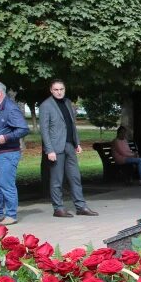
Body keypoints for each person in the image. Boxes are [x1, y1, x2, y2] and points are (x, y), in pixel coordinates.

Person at [38, 80, 99, 219]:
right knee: (57, 180)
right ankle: (58, 208)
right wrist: (49, 150)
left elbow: (72, 124)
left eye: (61, 89)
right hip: (55, 147)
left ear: (64, 89)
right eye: (56, 89)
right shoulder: (46, 105)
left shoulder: (67, 102)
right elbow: (44, 130)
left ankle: (81, 206)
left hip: (70, 145)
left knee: (75, 177)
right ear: (51, 90)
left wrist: (77, 142)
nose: (59, 92)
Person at [0, 81, 30, 225]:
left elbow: (23, 129)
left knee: (6, 184)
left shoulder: (10, 108)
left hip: (7, 154)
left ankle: (11, 215)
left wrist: (6, 138)